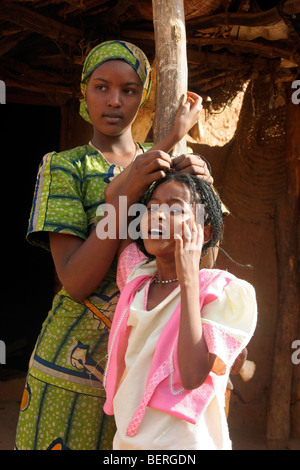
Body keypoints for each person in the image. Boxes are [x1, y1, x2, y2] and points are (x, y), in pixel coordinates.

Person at [15, 40, 212, 450]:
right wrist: (163, 145)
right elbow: (76, 281)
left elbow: (199, 264)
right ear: (83, 91)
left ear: (144, 96)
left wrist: (202, 192)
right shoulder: (65, 166)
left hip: (152, 368)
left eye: (129, 90)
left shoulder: (167, 171)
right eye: (101, 87)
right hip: (73, 366)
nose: (114, 101)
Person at [103, 171, 257, 450]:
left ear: (204, 232)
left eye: (175, 209)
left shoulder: (220, 292)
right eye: (151, 209)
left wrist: (189, 279)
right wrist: (164, 152)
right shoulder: (136, 278)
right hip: (128, 443)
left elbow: (191, 376)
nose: (158, 216)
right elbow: (113, 199)